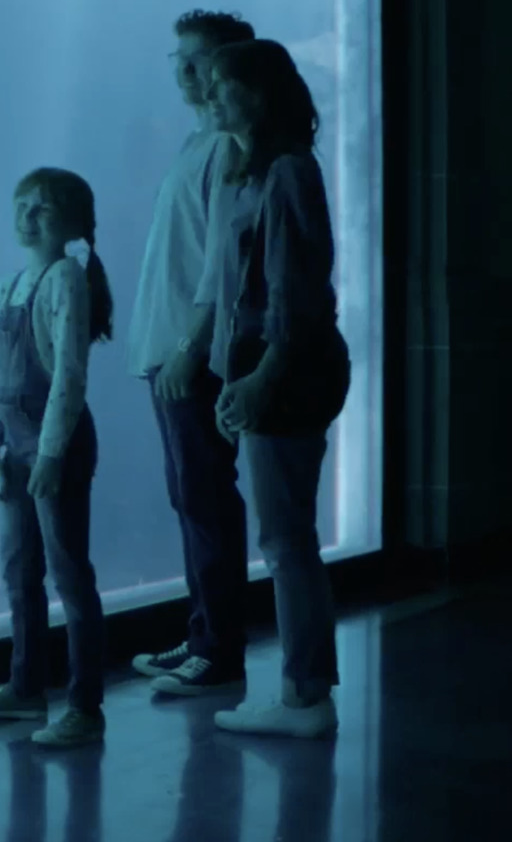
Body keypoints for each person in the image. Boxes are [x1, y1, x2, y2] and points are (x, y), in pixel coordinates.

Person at [197, 38, 350, 738]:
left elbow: (295, 293)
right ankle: (303, 688)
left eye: (223, 85)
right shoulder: (261, 173)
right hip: (274, 366)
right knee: (289, 536)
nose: (210, 96)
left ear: (258, 94)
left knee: (286, 540)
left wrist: (260, 376)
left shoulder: (287, 172)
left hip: (285, 370)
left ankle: (303, 694)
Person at [0, 167, 112, 748]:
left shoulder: (67, 276)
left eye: (41, 209)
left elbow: (70, 374)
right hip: (15, 447)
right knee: (20, 571)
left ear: (70, 222)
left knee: (70, 574)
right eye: (21, 205)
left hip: (55, 444)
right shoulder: (10, 284)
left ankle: (85, 706)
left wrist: (49, 453)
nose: (27, 218)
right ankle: (25, 688)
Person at [126, 9, 258, 696]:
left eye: (197, 57)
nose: (183, 69)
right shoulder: (195, 142)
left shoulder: (229, 148)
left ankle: (219, 648)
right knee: (190, 495)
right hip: (168, 349)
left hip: (192, 356)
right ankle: (205, 631)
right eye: (176, 56)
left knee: (205, 494)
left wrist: (189, 346)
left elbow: (222, 266)